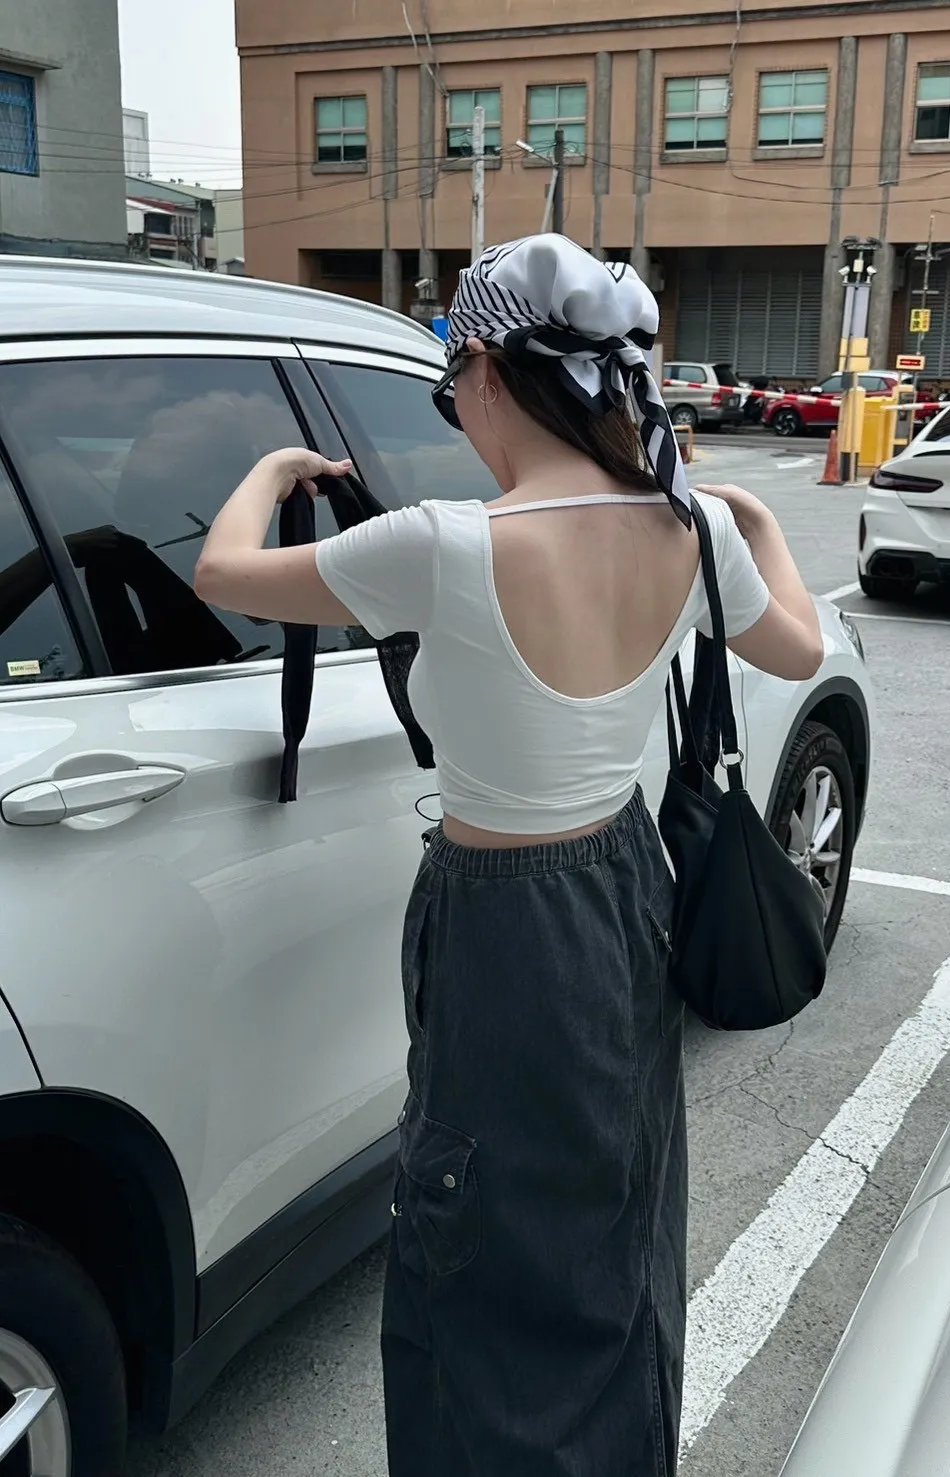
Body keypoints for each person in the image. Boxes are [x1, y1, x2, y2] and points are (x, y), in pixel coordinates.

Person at [195, 234, 823, 1477]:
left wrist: (269, 469)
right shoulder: (693, 528)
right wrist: (756, 519)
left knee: (475, 1225)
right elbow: (799, 649)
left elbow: (224, 573)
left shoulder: (444, 543)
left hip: (499, 916)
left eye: (449, 386)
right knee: (615, 1204)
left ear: (482, 366)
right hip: (626, 885)